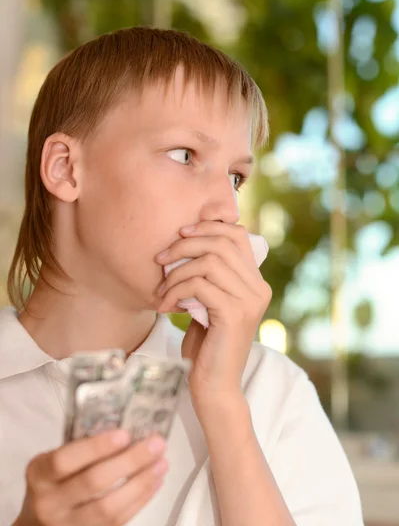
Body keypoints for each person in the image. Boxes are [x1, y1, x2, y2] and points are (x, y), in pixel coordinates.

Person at [0, 27, 364, 526]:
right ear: (65, 168)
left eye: (235, 177)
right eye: (185, 155)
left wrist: (223, 407)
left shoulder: (271, 392)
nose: (226, 210)